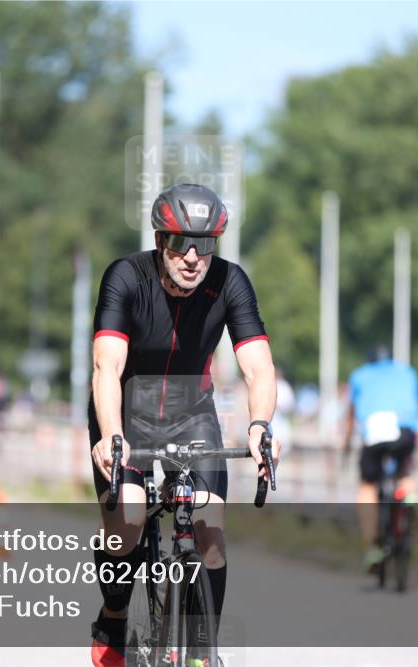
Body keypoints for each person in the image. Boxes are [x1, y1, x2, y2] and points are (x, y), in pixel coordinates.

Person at [88, 183, 281, 667]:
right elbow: (106, 367)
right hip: (126, 415)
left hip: (191, 417)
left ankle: (202, 652)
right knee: (128, 526)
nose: (193, 256)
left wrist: (260, 426)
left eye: (206, 244)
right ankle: (113, 615)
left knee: (210, 537)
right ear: (159, 241)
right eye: (180, 242)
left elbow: (259, 367)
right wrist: (111, 434)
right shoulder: (126, 278)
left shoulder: (231, 282)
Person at [341, 344, 418, 572]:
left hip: (375, 431)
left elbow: (351, 416)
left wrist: (346, 447)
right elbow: (417, 404)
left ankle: (371, 548)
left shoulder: (359, 375)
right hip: (404, 429)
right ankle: (409, 494)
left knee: (367, 486)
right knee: (404, 471)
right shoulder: (407, 371)